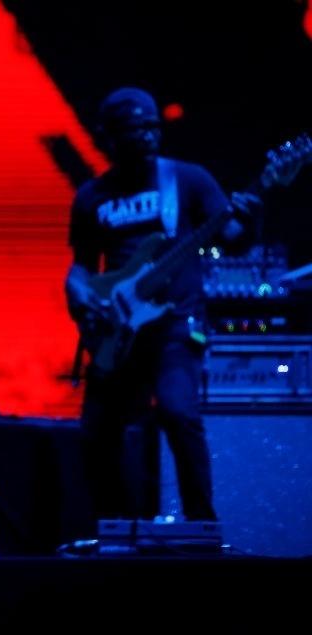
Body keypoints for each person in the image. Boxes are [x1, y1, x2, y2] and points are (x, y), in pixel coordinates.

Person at [65, 87, 262, 523]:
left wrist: (250, 219)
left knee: (177, 412)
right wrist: (81, 299)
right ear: (110, 138)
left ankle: (201, 529)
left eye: (152, 127)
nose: (147, 137)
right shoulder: (92, 198)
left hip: (175, 324)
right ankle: (116, 532)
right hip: (119, 328)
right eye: (135, 130)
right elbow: (81, 269)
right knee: (98, 433)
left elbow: (230, 239)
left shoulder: (187, 180)